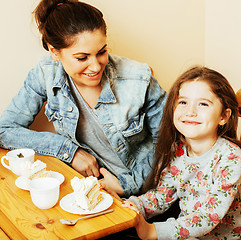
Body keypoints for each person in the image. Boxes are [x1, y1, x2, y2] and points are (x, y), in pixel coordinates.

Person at [0, 0, 167, 197]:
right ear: (54, 51)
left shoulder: (138, 78)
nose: (96, 66)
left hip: (149, 194)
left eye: (102, 52)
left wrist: (127, 185)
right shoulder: (45, 73)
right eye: (82, 58)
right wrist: (69, 152)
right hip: (91, 193)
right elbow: (5, 129)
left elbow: (169, 143)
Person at [105, 66, 241, 239]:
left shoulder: (231, 157)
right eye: (183, 102)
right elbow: (162, 195)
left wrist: (153, 231)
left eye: (203, 104)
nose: (190, 112)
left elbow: (208, 216)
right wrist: (129, 205)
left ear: (223, 116)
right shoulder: (178, 149)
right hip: (185, 233)